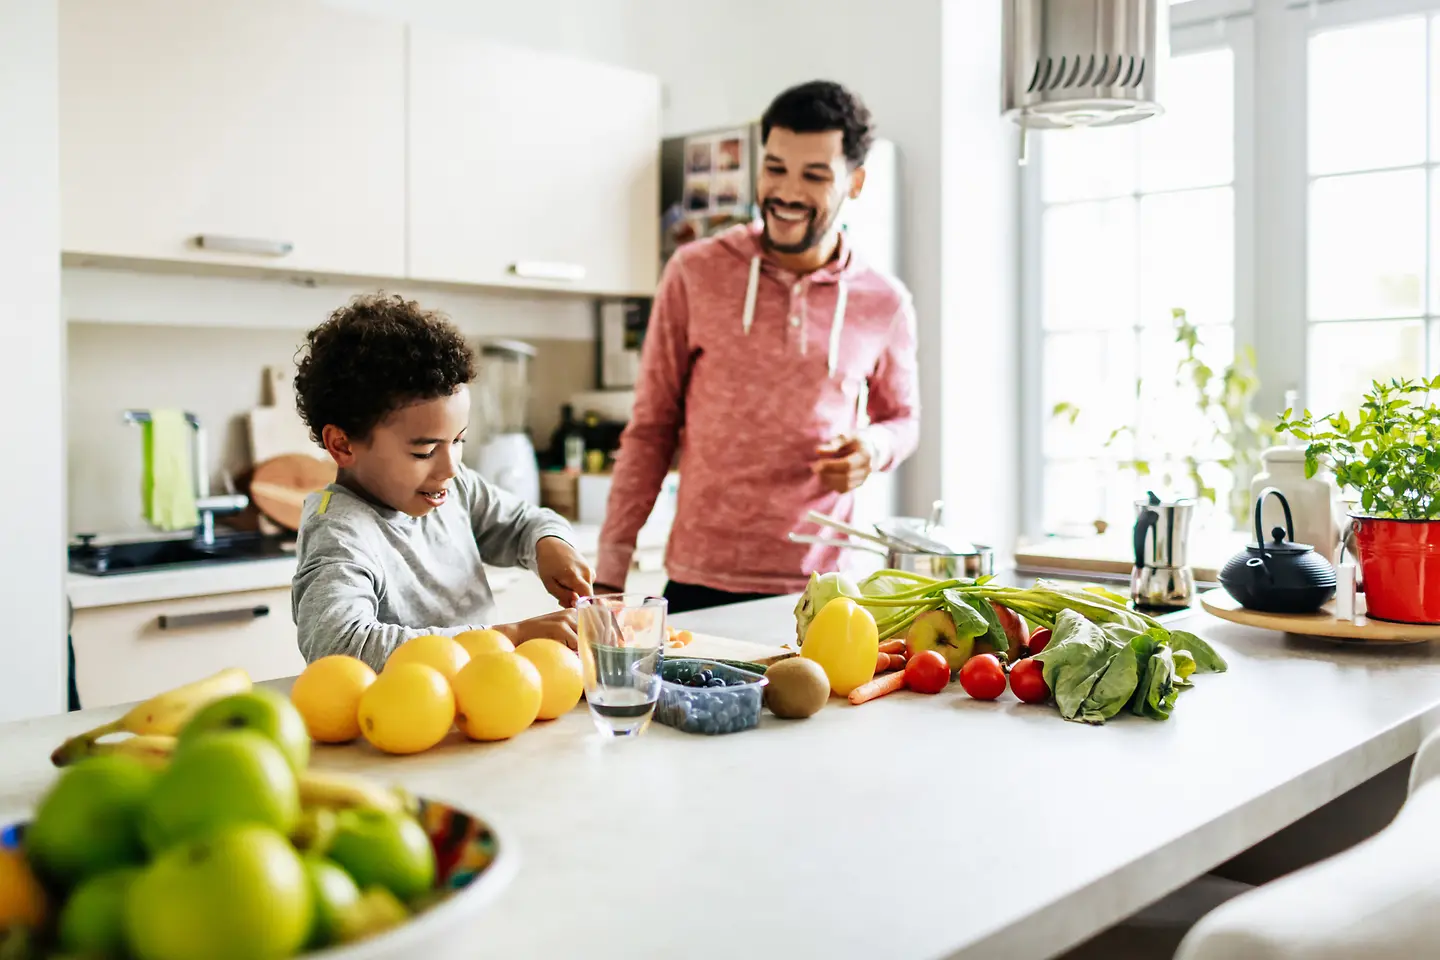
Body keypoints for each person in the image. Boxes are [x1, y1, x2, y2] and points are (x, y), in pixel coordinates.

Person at [595, 80, 921, 613]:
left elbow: (903, 419)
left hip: (822, 589)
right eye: (775, 168)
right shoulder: (694, 272)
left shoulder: (883, 302)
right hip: (699, 582)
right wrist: (609, 574)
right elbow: (651, 429)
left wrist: (873, 449)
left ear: (855, 182)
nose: (787, 192)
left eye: (814, 175)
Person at [290, 293, 594, 671]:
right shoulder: (338, 532)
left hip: (479, 709)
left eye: (459, 441)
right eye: (424, 451)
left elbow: (522, 523)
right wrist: (511, 637)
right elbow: (341, 647)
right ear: (343, 445)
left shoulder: (454, 487)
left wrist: (549, 543)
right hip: (398, 725)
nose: (450, 467)